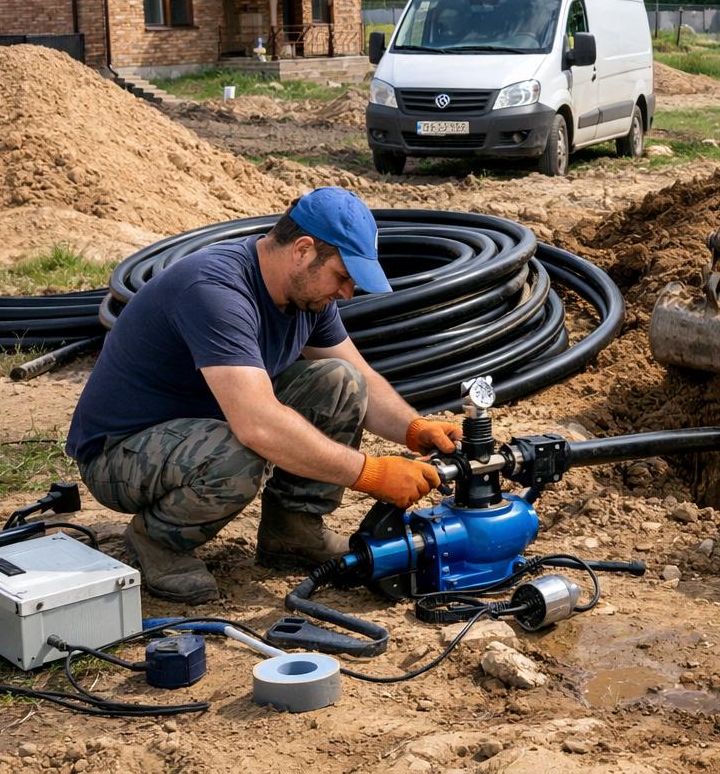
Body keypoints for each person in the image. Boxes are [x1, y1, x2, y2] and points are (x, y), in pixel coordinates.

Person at [66, 187, 464, 604]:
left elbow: (359, 374)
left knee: (340, 381)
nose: (347, 293)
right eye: (343, 276)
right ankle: (158, 541)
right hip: (119, 453)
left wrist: (414, 429)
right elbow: (257, 424)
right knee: (238, 453)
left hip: (202, 426)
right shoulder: (216, 290)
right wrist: (371, 474)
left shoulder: (307, 297)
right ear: (303, 250)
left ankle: (292, 532)